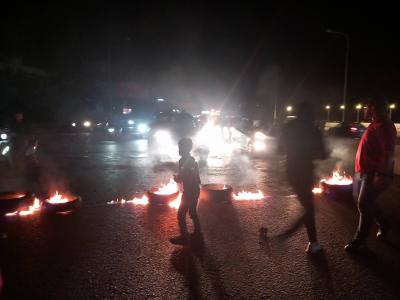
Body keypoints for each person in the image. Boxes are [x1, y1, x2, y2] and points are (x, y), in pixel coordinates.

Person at [345, 98, 397, 252]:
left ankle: (360, 241)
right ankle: (384, 223)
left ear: (374, 107)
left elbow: (388, 153)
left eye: (366, 107)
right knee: (363, 202)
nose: (364, 109)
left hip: (373, 172)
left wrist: (382, 174)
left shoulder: (384, 126)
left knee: (364, 203)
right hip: (363, 172)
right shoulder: (375, 124)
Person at [278, 101, 327, 254]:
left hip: (291, 171)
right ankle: (286, 236)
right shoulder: (313, 129)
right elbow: (324, 154)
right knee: (309, 208)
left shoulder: (289, 126)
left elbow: (279, 149)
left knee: (309, 207)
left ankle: (313, 242)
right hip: (305, 172)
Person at [170, 138, 201, 245]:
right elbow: (192, 176)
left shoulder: (185, 161)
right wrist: (180, 178)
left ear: (186, 148)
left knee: (181, 214)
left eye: (181, 147)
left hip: (190, 191)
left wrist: (177, 178)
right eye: (179, 147)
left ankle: (184, 237)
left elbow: (188, 176)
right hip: (194, 190)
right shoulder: (190, 160)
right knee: (192, 212)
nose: (179, 149)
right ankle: (198, 233)